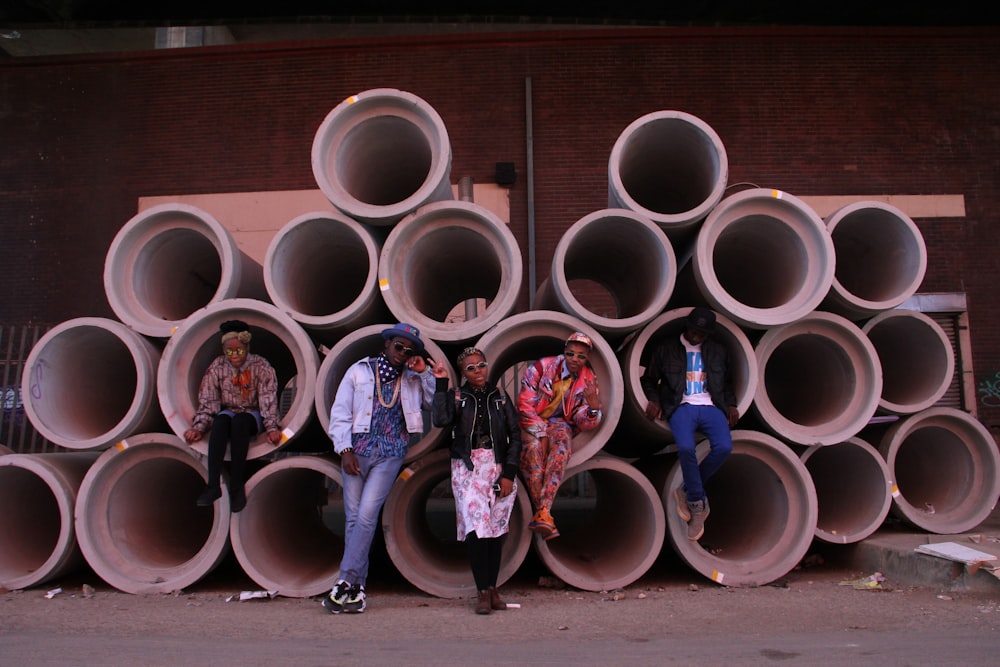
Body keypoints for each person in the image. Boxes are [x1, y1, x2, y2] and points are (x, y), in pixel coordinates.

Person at [322, 322, 435, 615]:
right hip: (357, 451)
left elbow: (434, 402)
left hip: (390, 453)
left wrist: (424, 372)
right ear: (386, 345)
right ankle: (358, 590)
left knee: (367, 515)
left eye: (409, 350)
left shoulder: (411, 377)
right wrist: (345, 450)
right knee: (353, 518)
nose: (403, 353)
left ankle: (344, 580)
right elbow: (341, 411)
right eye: (399, 346)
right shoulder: (359, 371)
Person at [431, 347, 522, 615]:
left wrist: (509, 474)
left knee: (493, 530)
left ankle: (492, 589)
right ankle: (482, 591)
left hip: (497, 466)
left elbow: (515, 435)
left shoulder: (501, 397)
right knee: (476, 528)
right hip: (468, 467)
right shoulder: (457, 396)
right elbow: (440, 420)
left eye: (481, 365)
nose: (477, 371)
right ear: (463, 373)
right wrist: (440, 383)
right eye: (470, 368)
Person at [640, 306, 738, 541]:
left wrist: (732, 404)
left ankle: (687, 490)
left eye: (703, 334)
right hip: (680, 405)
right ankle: (697, 504)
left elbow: (726, 383)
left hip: (711, 406)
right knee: (685, 448)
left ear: (709, 335)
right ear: (687, 327)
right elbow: (649, 380)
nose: (697, 336)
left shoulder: (718, 351)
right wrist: (654, 399)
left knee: (724, 447)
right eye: (695, 331)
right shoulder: (666, 349)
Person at [184, 320, 283, 513]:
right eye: (229, 351)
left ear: (247, 347)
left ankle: (237, 486)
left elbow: (267, 398)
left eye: (238, 350)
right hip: (228, 410)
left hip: (252, 413)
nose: (234, 355)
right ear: (223, 350)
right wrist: (199, 427)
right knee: (220, 422)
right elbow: (209, 398)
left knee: (240, 423)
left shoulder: (261, 366)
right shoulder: (217, 367)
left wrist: (272, 427)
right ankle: (213, 485)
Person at [517, 332, 602, 540]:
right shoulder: (542, 367)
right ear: (564, 352)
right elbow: (524, 405)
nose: (575, 359)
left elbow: (582, 420)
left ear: (587, 357)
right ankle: (545, 514)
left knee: (561, 449)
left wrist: (592, 408)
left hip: (560, 423)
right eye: (571, 353)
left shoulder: (588, 380)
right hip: (533, 420)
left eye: (581, 356)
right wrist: (541, 433)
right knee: (534, 453)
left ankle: (543, 513)